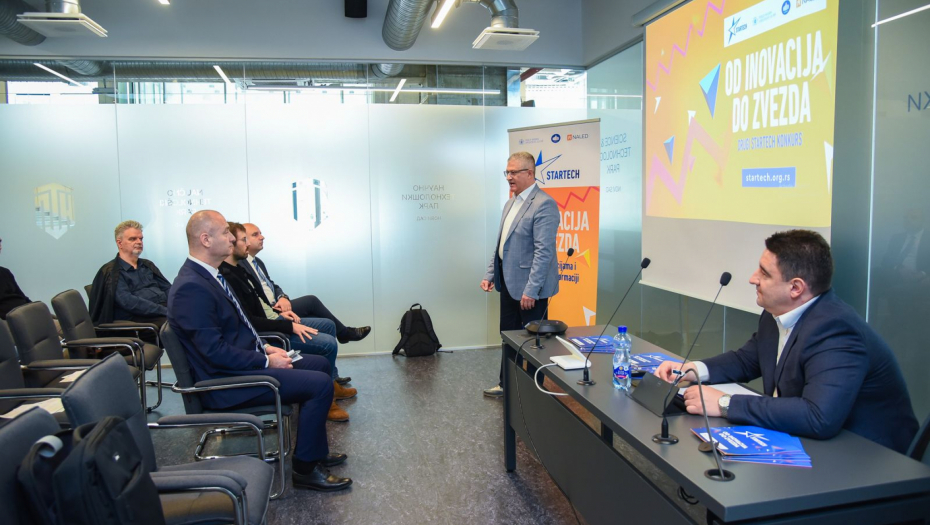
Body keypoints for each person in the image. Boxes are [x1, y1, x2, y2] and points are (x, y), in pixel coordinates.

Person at [654, 230, 919, 453]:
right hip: (815, 443)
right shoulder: (777, 313)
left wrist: (725, 404)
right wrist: (692, 369)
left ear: (795, 287)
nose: (753, 278)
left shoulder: (836, 330)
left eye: (764, 273)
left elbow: (818, 416)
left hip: (870, 459)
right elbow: (748, 360)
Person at [167, 210, 352, 491]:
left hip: (237, 367)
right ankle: (305, 469)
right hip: (223, 383)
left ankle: (314, 449)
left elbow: (238, 328)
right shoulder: (191, 287)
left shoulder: (208, 277)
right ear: (205, 239)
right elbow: (214, 352)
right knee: (319, 385)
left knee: (320, 365)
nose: (232, 238)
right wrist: (266, 361)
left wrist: (266, 347)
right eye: (225, 233)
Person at [219, 221, 356, 422]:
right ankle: (328, 398)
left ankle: (331, 384)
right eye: (246, 238)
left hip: (275, 318)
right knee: (327, 343)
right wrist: (287, 325)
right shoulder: (227, 276)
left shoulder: (242, 269)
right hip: (269, 332)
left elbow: (268, 292)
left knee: (328, 325)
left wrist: (282, 302)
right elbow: (251, 321)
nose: (251, 242)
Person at [480, 151, 560, 398]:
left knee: (533, 344)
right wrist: (490, 274)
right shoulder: (510, 203)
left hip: (529, 290)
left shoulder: (544, 204)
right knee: (508, 337)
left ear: (529, 173)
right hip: (507, 284)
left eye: (514, 172)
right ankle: (507, 386)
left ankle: (533, 392)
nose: (509, 177)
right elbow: (502, 245)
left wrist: (531, 290)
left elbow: (544, 252)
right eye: (507, 172)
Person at [241, 222, 371, 347]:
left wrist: (282, 297)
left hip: (277, 304)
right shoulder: (241, 264)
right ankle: (343, 334)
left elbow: (272, 285)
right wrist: (274, 310)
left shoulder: (258, 262)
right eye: (255, 235)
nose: (262, 237)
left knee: (315, 311)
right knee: (312, 303)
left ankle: (337, 338)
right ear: (244, 240)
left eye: (261, 233)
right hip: (268, 311)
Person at [89, 220, 171, 327]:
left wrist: (177, 305)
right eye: (133, 239)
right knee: (179, 324)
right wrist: (166, 311)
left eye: (141, 239)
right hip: (138, 320)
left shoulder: (147, 265)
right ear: (120, 243)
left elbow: (168, 288)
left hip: (163, 310)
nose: (139, 242)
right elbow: (129, 302)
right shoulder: (112, 272)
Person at [0, 237, 30, 319]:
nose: (0, 247)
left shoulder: (5, 272)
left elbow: (22, 297)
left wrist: (37, 309)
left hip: (26, 314)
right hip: (11, 320)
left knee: (58, 319)